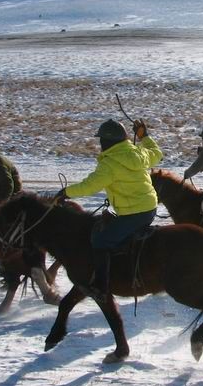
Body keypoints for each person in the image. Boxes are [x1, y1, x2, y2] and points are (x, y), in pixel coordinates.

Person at [54, 118, 162, 302]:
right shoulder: (137, 152)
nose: (100, 143)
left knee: (101, 241)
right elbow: (157, 153)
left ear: (107, 141)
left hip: (133, 212)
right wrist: (145, 136)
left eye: (101, 140)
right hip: (149, 207)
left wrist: (66, 193)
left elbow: (90, 186)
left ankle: (101, 287)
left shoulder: (109, 163)